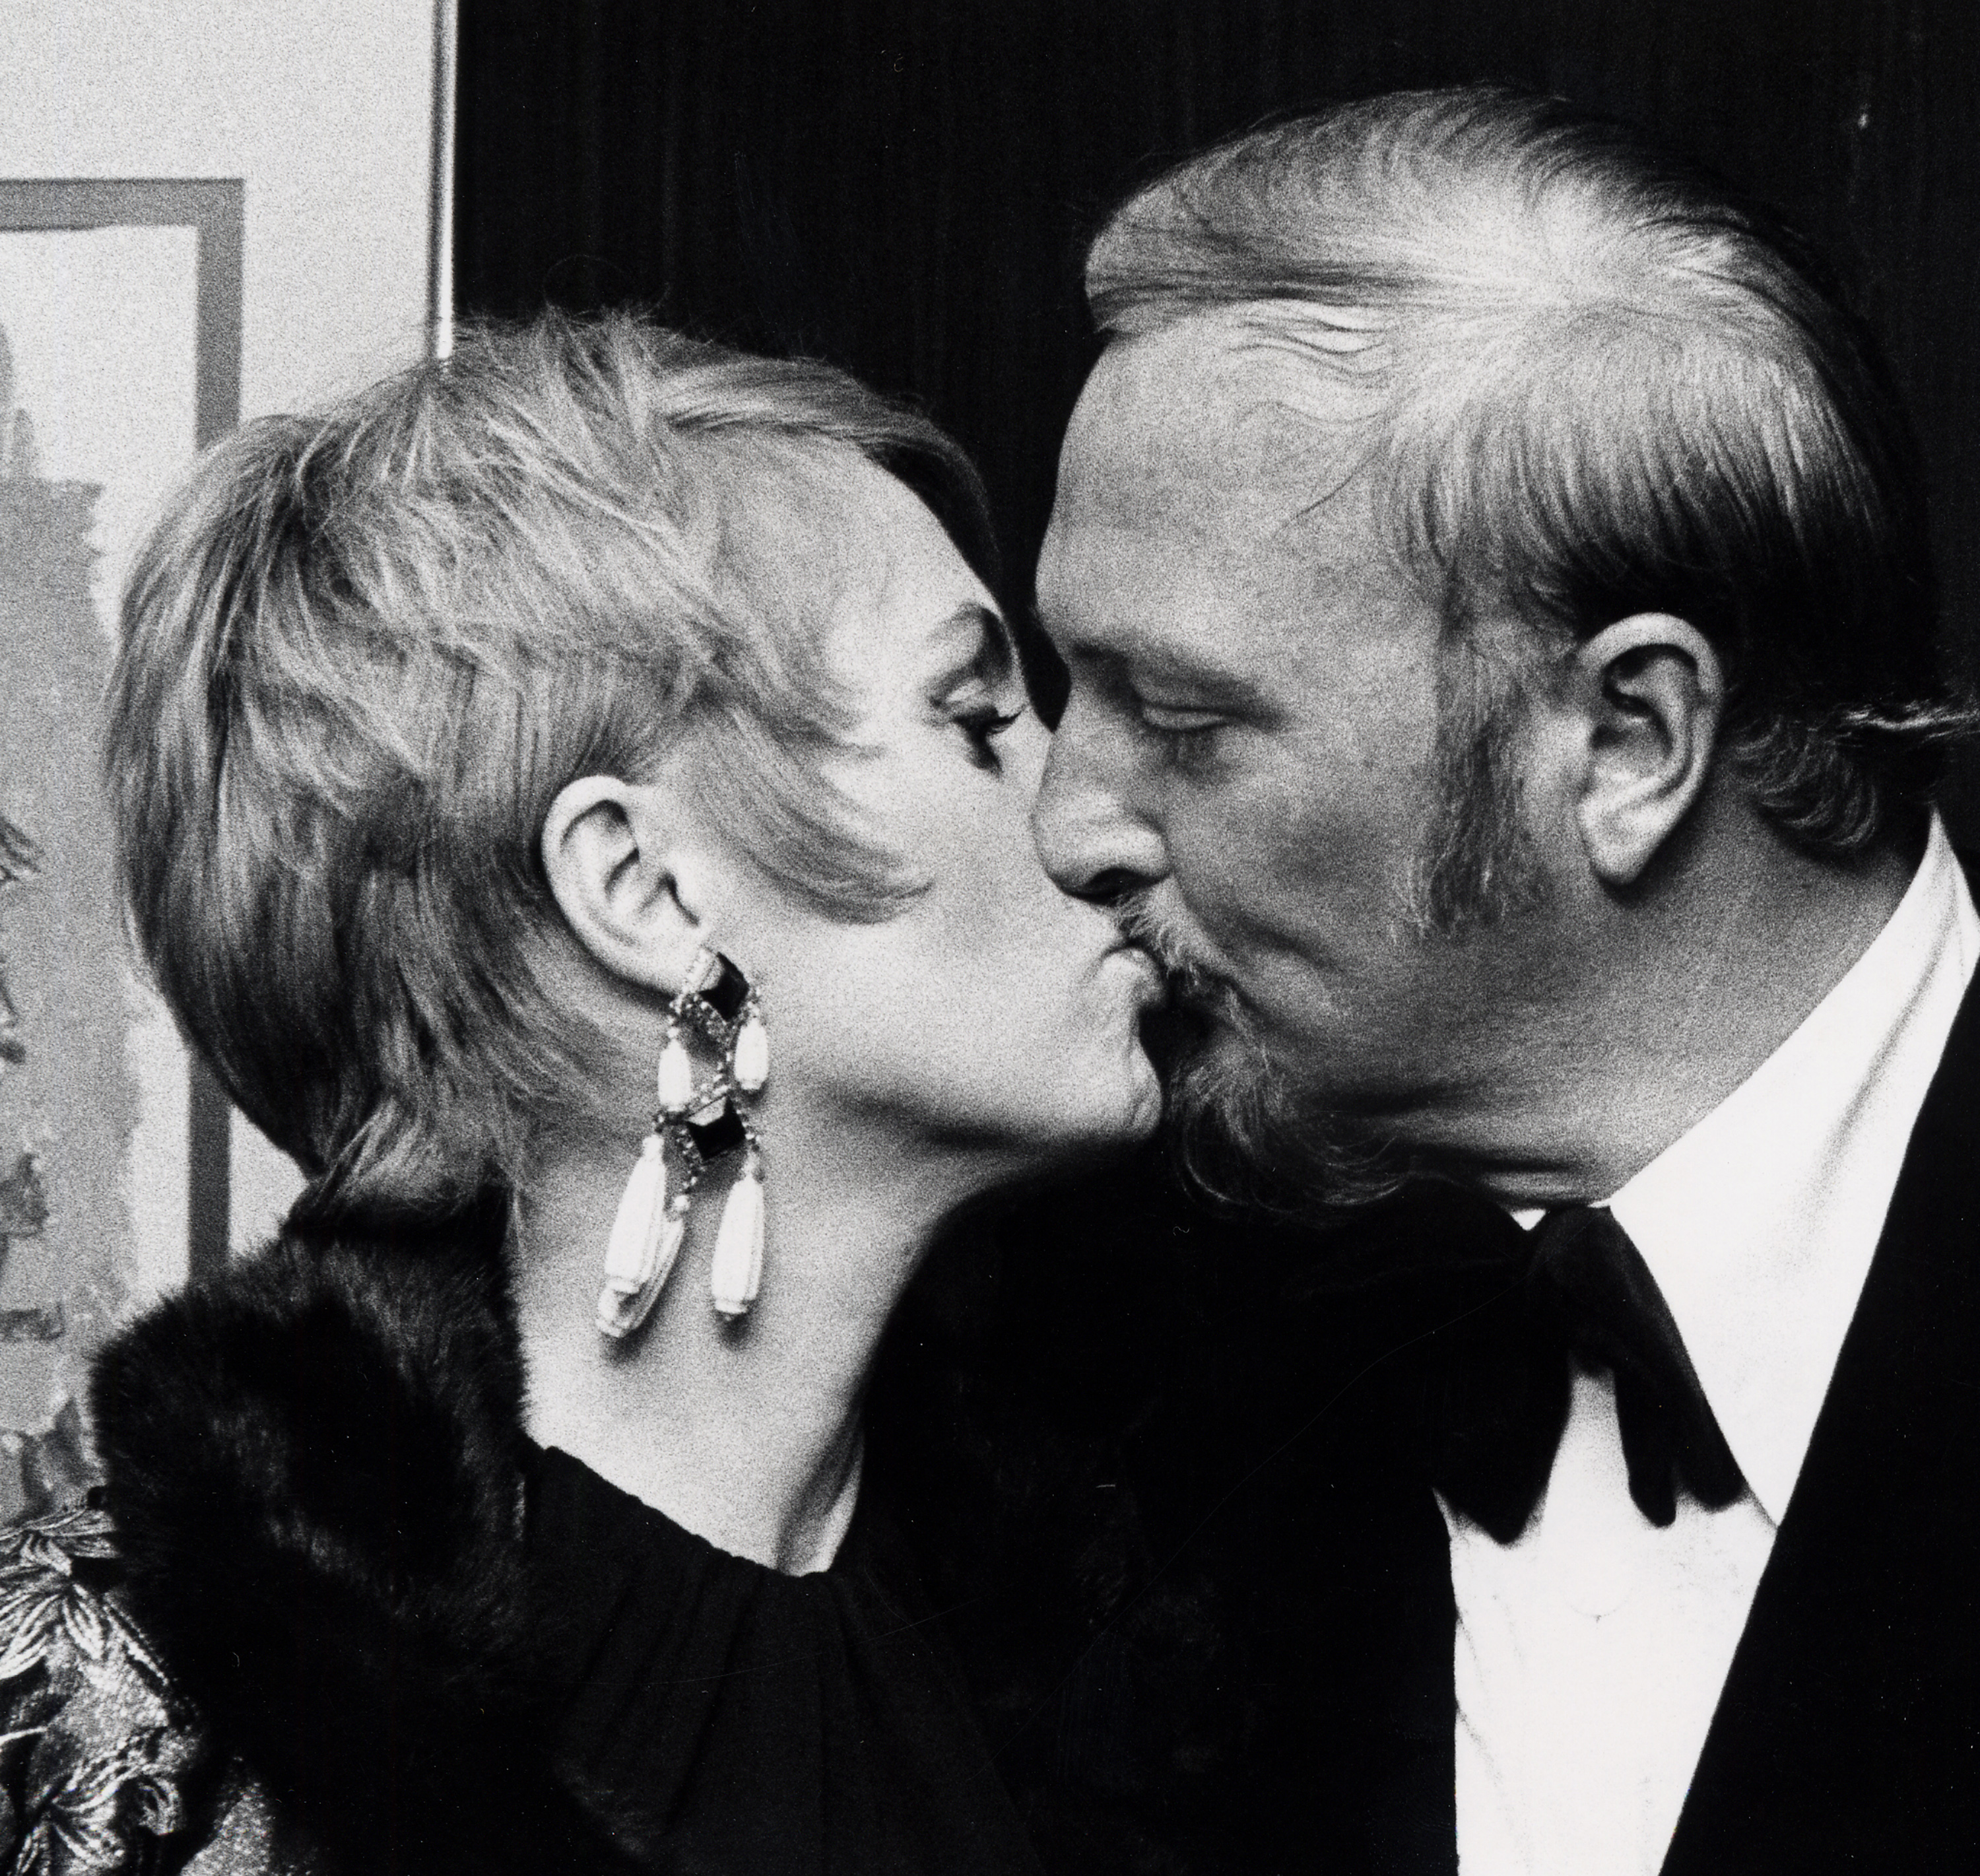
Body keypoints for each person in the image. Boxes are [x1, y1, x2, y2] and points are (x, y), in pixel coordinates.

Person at [911, 84, 1977, 1875]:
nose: (1069, 823)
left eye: (1182, 717)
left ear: (1629, 740)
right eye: (1058, 691)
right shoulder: (1128, 1376)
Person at [0, 312, 1162, 1876]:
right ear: (647, 891)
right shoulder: (122, 1723)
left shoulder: (1153, 1630)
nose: (1096, 810)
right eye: (975, 720)